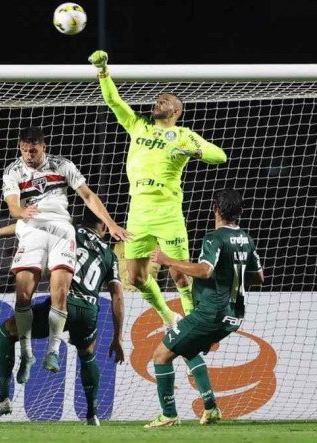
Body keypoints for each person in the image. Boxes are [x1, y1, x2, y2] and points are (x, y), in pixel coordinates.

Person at [88, 50, 227, 329]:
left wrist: (195, 150)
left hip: (168, 212)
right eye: (157, 99)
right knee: (137, 278)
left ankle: (194, 324)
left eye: (164, 100)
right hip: (138, 211)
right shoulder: (139, 125)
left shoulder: (184, 134)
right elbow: (112, 100)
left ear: (176, 111)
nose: (157, 101)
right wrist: (103, 70)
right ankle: (167, 317)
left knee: (181, 276)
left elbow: (219, 156)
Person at [0, 208, 125, 426]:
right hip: (89, 310)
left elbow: (27, 226)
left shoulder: (66, 229)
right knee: (87, 354)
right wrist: (118, 337)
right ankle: (92, 415)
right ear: (104, 226)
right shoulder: (110, 254)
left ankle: (3, 398)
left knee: (6, 330)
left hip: (63, 303)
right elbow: (117, 298)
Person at [2, 126, 129, 381]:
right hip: (32, 229)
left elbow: (87, 195)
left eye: (34, 150)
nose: (28, 155)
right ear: (20, 148)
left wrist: (111, 223)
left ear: (43, 147)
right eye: (24, 150)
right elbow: (13, 204)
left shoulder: (62, 165)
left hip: (61, 230)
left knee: (59, 292)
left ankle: (53, 349)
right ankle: (27, 353)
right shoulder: (13, 171)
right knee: (23, 297)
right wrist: (20, 213)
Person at [145, 189, 264, 427]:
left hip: (210, 313)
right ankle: (211, 409)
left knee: (160, 356)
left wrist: (167, 260)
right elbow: (258, 277)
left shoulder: (214, 238)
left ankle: (169, 415)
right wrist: (230, 278)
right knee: (188, 350)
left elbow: (205, 270)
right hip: (234, 315)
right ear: (239, 213)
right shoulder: (246, 239)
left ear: (215, 209)